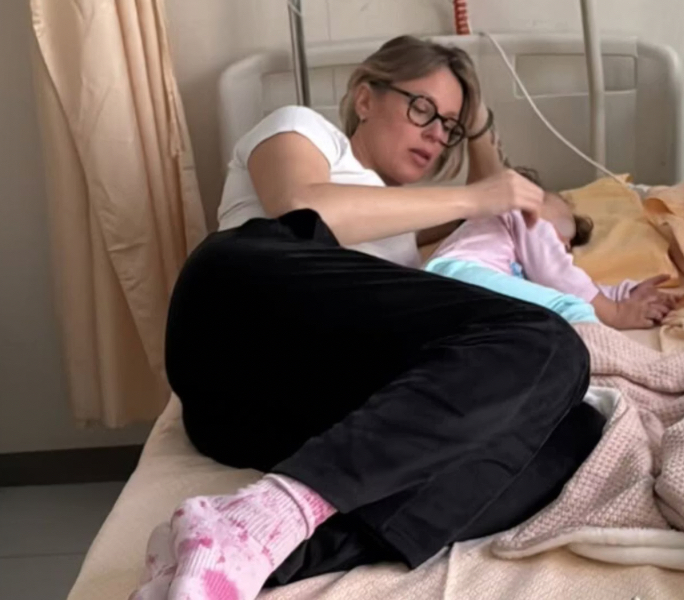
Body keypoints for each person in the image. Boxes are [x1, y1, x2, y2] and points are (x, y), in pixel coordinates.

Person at [131, 35, 609, 600]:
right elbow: (302, 206)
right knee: (548, 343)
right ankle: (266, 521)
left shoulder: (408, 229)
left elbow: (497, 207)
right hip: (236, 316)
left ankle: (248, 548)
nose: (436, 135)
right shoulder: (304, 129)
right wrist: (475, 197)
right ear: (365, 98)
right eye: (423, 109)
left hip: (288, 412)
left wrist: (478, 130)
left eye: (450, 127)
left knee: (568, 433)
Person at [426, 166, 674, 328]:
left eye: (567, 249)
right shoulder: (520, 211)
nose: (562, 248)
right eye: (561, 229)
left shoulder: (520, 263)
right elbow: (559, 277)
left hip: (446, 300)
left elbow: (567, 284)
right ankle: (620, 365)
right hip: (455, 276)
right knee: (574, 313)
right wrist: (615, 312)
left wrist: (625, 293)